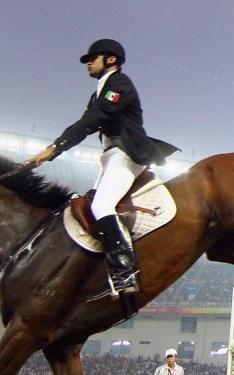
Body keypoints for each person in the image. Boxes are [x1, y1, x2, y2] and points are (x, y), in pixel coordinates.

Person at [32, 39, 176, 295]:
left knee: (101, 206)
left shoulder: (120, 83)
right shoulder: (99, 91)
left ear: (111, 59)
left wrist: (54, 148)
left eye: (92, 58)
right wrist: (52, 151)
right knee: (89, 208)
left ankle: (124, 272)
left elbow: (93, 119)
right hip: (109, 156)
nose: (88, 62)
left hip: (126, 154)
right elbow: (87, 122)